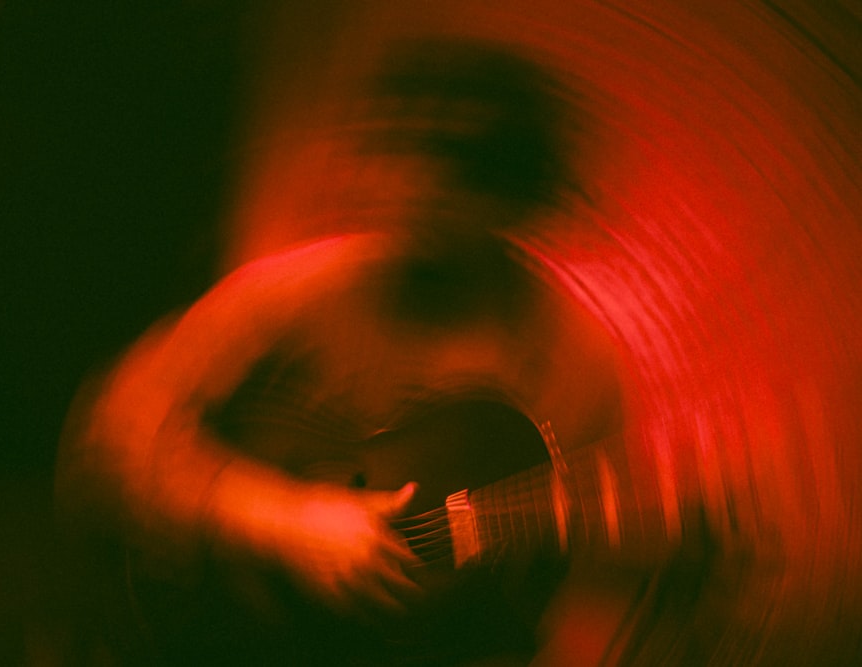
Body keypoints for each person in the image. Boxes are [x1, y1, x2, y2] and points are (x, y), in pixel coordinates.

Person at [55, 41, 703, 666]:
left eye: (460, 166)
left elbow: (572, 585)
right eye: (397, 149)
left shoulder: (569, 358)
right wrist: (283, 520)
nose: (416, 184)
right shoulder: (299, 293)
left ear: (516, 193)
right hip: (203, 630)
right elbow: (116, 430)